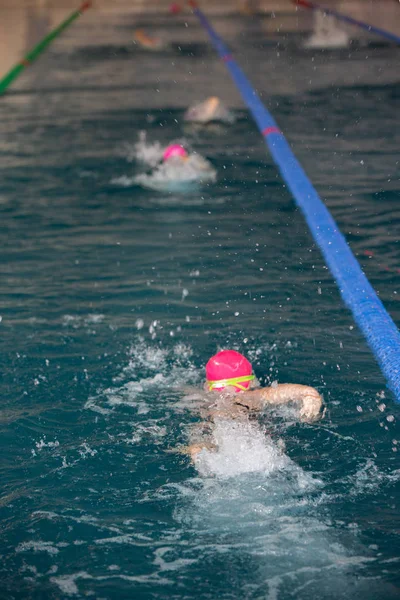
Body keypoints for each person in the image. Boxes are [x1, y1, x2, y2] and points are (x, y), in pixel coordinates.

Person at [187, 349, 323, 459]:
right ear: (249, 381)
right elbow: (283, 391)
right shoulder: (251, 395)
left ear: (208, 384)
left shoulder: (198, 396)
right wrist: (310, 394)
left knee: (201, 437)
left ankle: (197, 452)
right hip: (247, 434)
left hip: (212, 426)